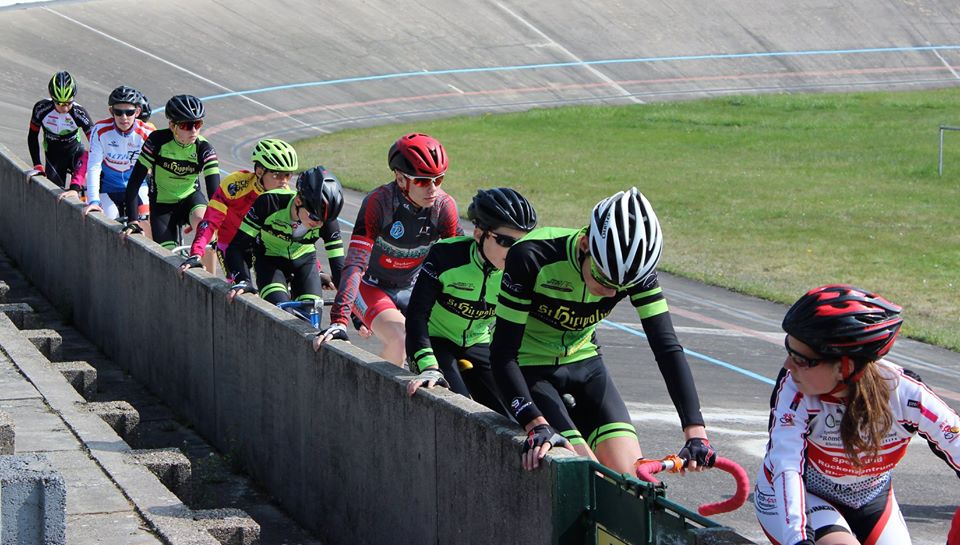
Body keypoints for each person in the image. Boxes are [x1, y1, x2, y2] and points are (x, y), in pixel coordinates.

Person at [489, 187, 715, 474]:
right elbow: (502, 354)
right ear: (585, 245)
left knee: (634, 482)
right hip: (530, 367)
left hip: (586, 363)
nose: (609, 293)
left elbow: (667, 347)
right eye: (602, 277)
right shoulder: (532, 256)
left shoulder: (635, 272)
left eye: (620, 289)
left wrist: (695, 432)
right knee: (586, 475)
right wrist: (534, 422)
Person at [755, 284, 960, 545]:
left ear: (845, 367)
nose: (787, 365)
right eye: (788, 350)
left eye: (801, 359)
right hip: (800, 495)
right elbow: (787, 467)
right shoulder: (794, 391)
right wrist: (798, 538)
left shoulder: (905, 393)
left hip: (871, 499)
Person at [314, 133, 463, 366]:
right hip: (371, 286)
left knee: (446, 344)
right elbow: (355, 264)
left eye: (439, 179)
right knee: (401, 339)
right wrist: (339, 319)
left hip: (412, 286)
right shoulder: (379, 203)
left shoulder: (444, 207)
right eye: (423, 181)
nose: (433, 188)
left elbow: (458, 267)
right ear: (401, 179)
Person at [405, 188, 537, 416]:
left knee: (511, 416)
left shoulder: (524, 270)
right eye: (505, 241)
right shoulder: (445, 257)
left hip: (479, 342)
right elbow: (417, 315)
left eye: (521, 243)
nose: (515, 252)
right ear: (479, 234)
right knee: (459, 409)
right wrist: (428, 365)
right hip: (436, 341)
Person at [224, 166, 345, 311]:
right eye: (314, 217)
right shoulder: (269, 203)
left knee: (310, 319)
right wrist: (243, 280)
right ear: (299, 200)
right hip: (270, 261)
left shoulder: (327, 220)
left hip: (304, 262)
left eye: (324, 221)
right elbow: (236, 247)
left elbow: (340, 271)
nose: (318, 224)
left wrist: (357, 317)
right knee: (282, 314)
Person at [122, 94, 219, 272]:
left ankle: (211, 285)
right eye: (186, 125)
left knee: (206, 226)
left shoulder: (204, 148)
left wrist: (219, 226)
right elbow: (134, 183)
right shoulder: (157, 141)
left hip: (190, 199)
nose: (193, 131)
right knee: (168, 257)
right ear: (172, 126)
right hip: (162, 204)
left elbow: (215, 195)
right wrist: (133, 220)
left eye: (197, 124)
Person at [179, 138, 299, 276]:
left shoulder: (288, 196)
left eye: (288, 175)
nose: (284, 182)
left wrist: (317, 270)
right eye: (277, 175)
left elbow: (301, 238)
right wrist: (196, 253)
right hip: (230, 244)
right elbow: (210, 221)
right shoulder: (236, 185)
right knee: (239, 290)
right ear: (260, 171)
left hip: (264, 248)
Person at [59, 86, 153, 220]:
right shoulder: (100, 130)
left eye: (129, 112)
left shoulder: (147, 132)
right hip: (109, 187)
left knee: (146, 218)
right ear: (111, 111)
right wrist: (93, 201)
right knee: (107, 220)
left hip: (138, 186)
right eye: (118, 112)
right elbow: (94, 166)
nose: (124, 117)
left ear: (137, 112)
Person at [27, 70, 93, 190]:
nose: (65, 107)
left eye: (68, 102)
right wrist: (37, 164)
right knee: (54, 194)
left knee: (90, 179)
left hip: (75, 152)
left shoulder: (79, 113)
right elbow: (32, 136)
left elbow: (96, 142)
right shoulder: (41, 109)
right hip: (54, 157)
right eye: (60, 103)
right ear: (52, 98)